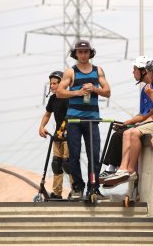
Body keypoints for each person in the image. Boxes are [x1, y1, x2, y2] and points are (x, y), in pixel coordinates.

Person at [103, 60, 153, 187]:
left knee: (133, 133)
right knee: (128, 132)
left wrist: (152, 96)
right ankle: (123, 169)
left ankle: (130, 170)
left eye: (149, 72)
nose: (147, 75)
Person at [56, 40, 111, 200]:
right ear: (76, 54)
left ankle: (93, 188)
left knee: (94, 154)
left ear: (90, 53)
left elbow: (107, 92)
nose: (83, 55)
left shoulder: (98, 70)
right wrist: (77, 93)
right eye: (80, 52)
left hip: (92, 119)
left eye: (86, 51)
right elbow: (59, 92)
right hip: (74, 120)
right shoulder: (70, 72)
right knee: (73, 155)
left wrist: (94, 89)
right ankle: (77, 187)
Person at [99, 56, 153, 183]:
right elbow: (142, 114)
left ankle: (116, 169)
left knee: (122, 134)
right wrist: (126, 123)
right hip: (146, 121)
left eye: (135, 69)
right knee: (117, 133)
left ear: (143, 70)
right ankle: (112, 169)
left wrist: (137, 124)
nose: (133, 72)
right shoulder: (145, 89)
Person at [38, 71, 71, 199]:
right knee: (56, 164)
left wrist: (65, 130)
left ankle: (75, 190)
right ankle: (57, 193)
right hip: (58, 136)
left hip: (69, 136)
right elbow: (47, 114)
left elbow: (71, 116)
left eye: (54, 83)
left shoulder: (68, 98)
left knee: (68, 164)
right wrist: (41, 127)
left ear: (62, 83)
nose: (51, 86)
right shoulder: (53, 99)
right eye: (51, 84)